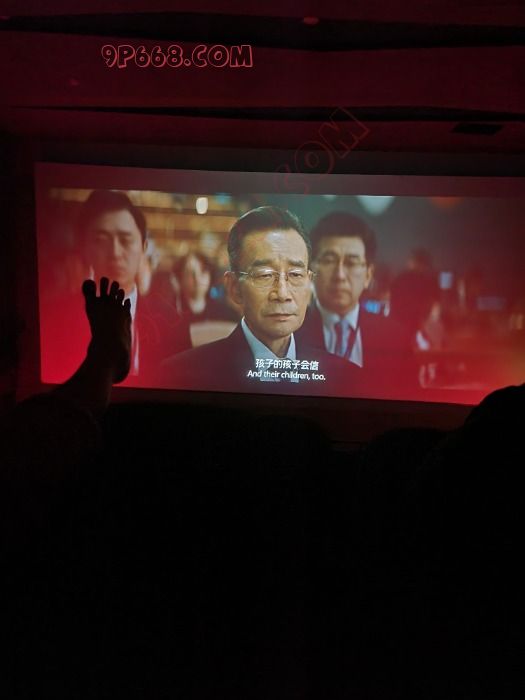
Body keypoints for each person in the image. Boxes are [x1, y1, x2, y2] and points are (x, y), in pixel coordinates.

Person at [161, 206, 364, 395]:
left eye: (295, 274)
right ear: (234, 287)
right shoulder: (181, 375)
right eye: (265, 275)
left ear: (309, 282)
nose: (282, 293)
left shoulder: (347, 378)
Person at [40, 190, 191, 387]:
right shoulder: (57, 318)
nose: (115, 253)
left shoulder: (171, 321)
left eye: (126, 240)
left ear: (144, 247)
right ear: (84, 247)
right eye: (101, 241)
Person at [296, 211, 414, 395]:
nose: (340, 275)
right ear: (311, 270)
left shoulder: (396, 339)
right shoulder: (287, 334)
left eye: (351, 263)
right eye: (329, 260)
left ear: (368, 275)